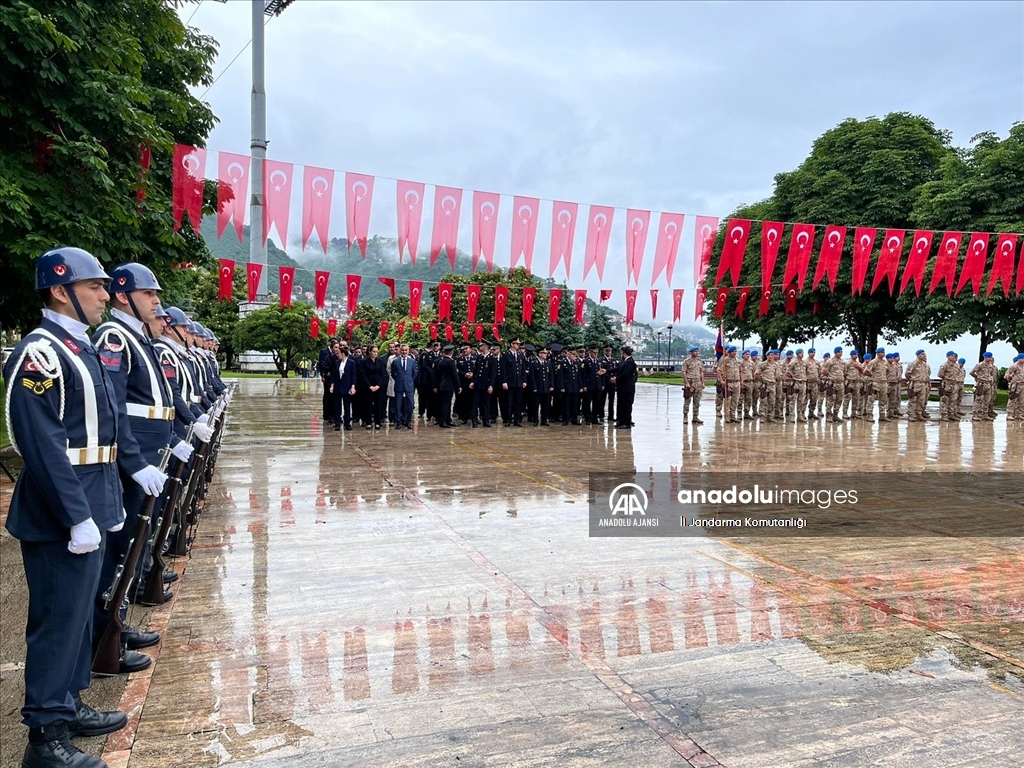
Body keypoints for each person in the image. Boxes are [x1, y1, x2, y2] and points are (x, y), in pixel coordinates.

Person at [3, 247, 129, 768]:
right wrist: (77, 515)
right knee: (57, 621)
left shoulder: (78, 347)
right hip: (62, 508)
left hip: (91, 498)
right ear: (60, 290)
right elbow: (43, 444)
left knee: (78, 615)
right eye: (94, 286)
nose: (105, 295)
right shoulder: (41, 352)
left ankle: (68, 702)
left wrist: (105, 504)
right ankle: (45, 735)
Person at [92, 264, 183, 671]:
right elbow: (114, 408)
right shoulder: (115, 337)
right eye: (149, 294)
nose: (156, 301)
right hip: (135, 460)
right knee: (118, 553)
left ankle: (118, 623)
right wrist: (133, 462)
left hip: (149, 454)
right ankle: (104, 633)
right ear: (123, 296)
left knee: (133, 546)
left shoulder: (137, 338)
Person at [359, 344, 389, 428]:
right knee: (368, 404)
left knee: (378, 404)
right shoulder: (364, 361)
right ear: (370, 352)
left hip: (378, 386)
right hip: (368, 386)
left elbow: (383, 374)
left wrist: (378, 385)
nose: (375, 353)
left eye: (376, 352)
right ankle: (368, 422)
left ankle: (378, 422)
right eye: (373, 351)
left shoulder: (380, 361)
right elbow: (363, 374)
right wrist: (370, 386)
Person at [330, 344, 357, 431]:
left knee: (347, 406)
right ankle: (337, 423)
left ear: (343, 354)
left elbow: (353, 375)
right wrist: (332, 385)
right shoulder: (337, 363)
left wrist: (353, 386)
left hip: (347, 387)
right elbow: (334, 375)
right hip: (338, 386)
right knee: (337, 406)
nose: (337, 355)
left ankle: (347, 423)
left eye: (338, 353)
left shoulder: (351, 363)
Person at [391, 343, 417, 429]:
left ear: (408, 351)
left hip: (409, 385)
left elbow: (414, 374)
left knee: (411, 404)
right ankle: (399, 421)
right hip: (399, 385)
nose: (404, 352)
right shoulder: (395, 361)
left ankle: (408, 421)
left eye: (406, 350)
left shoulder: (412, 361)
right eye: (402, 350)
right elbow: (393, 373)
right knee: (398, 405)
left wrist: (409, 380)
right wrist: (399, 379)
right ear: (400, 350)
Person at [434, 345, 461, 427]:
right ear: (452, 352)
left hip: (442, 384)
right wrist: (458, 386)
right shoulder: (451, 362)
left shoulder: (441, 361)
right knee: (447, 404)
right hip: (449, 385)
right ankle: (443, 421)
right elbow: (454, 375)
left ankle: (447, 419)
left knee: (445, 403)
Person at [614, 346, 638, 429]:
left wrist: (616, 379)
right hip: (622, 388)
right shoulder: (625, 362)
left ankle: (626, 423)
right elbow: (618, 369)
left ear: (624, 353)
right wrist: (607, 371)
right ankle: (621, 422)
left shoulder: (630, 362)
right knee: (622, 405)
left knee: (626, 406)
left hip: (627, 388)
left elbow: (625, 375)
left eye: (621, 353)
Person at [970, 352, 998, 421]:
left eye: (991, 357)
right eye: (989, 357)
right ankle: (975, 414)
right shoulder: (980, 365)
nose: (990, 358)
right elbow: (972, 372)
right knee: (979, 399)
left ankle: (985, 414)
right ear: (985, 357)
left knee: (987, 400)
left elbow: (991, 374)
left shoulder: (991, 366)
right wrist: (978, 378)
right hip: (981, 384)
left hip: (988, 384)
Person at [905, 350, 931, 421]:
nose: (924, 356)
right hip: (915, 384)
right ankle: (911, 415)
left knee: (921, 400)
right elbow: (907, 373)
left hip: (923, 384)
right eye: (922, 354)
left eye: (924, 354)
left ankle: (919, 414)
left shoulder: (925, 364)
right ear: (918, 355)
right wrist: (912, 380)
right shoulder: (913, 363)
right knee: (913, 400)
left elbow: (927, 374)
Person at [682, 346, 704, 424]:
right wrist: (686, 383)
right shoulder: (686, 361)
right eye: (695, 351)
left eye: (697, 351)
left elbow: (701, 372)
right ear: (691, 352)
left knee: (697, 401)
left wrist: (703, 382)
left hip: (698, 383)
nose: (697, 353)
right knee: (687, 401)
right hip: (690, 382)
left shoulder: (700, 361)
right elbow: (684, 372)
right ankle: (685, 416)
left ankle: (695, 417)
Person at [937, 351, 960, 421]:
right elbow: (940, 374)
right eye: (952, 356)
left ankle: (951, 414)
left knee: (953, 399)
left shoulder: (956, 365)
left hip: (954, 384)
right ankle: (944, 415)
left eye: (954, 356)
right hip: (947, 384)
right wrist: (947, 378)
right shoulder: (945, 365)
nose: (954, 357)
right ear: (948, 357)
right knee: (945, 400)